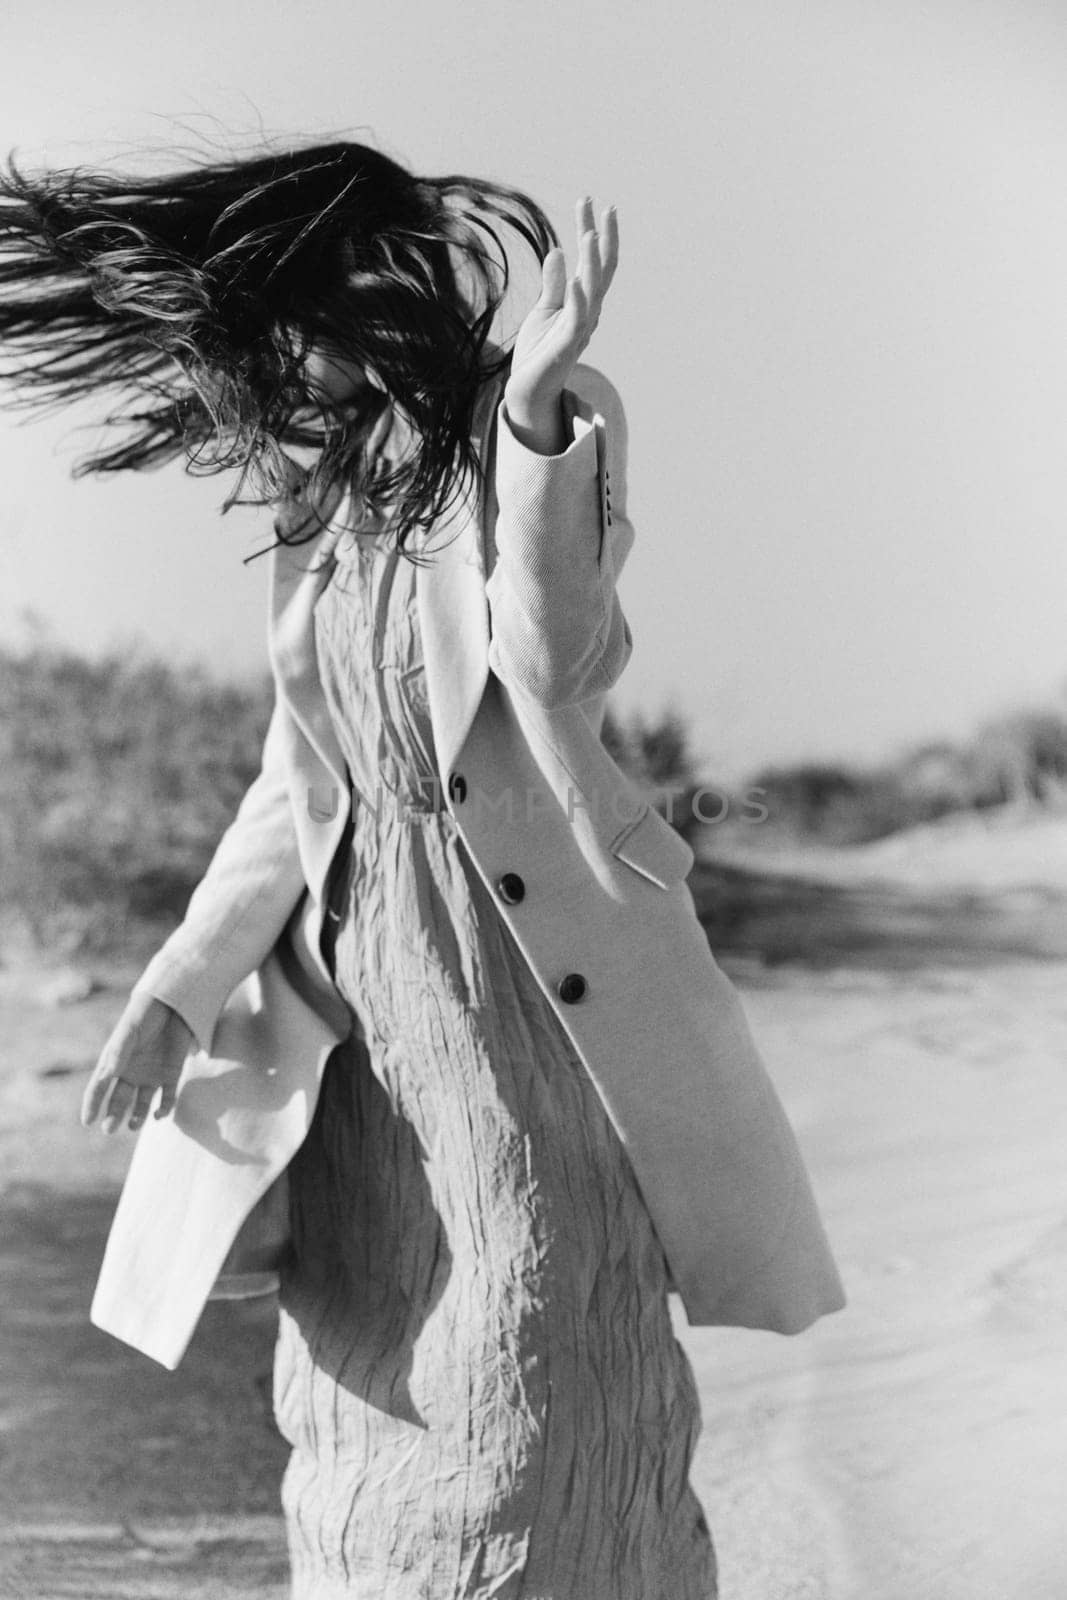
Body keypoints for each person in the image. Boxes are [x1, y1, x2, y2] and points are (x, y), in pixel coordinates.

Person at [0, 137, 845, 1599]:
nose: (281, 364)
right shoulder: (322, 505)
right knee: (364, 1406)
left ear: (366, 288)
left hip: (521, 1009)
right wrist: (178, 992)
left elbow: (556, 662)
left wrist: (525, 414)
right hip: (363, 1042)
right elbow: (299, 782)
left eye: (295, 324)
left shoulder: (540, 428)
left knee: (536, 1381)